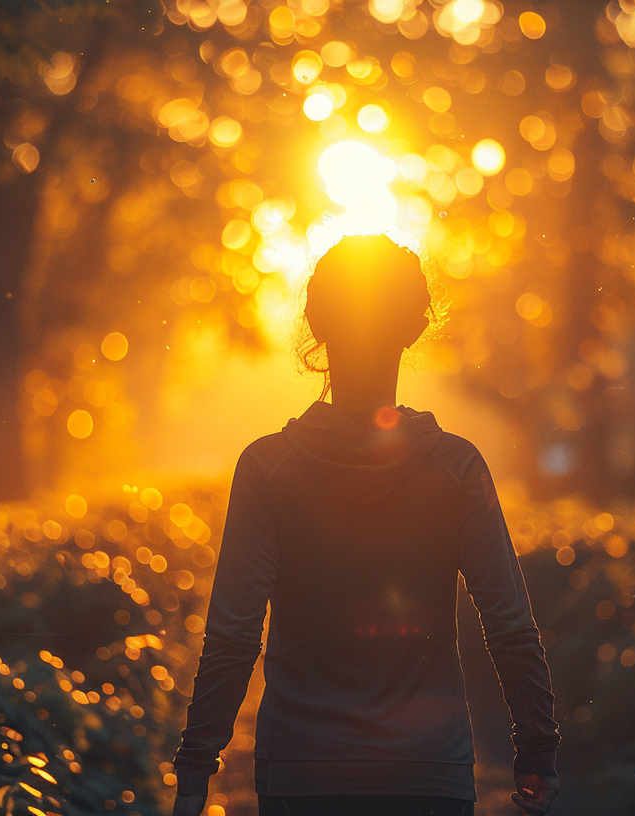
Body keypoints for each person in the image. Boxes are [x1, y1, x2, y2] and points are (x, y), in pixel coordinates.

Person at [172, 235, 560, 816]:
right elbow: (509, 626)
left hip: (302, 773)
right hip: (428, 773)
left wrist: (196, 768)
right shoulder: (456, 468)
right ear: (414, 325)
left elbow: (233, 636)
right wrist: (536, 749)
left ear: (314, 319)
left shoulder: (267, 467)